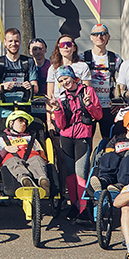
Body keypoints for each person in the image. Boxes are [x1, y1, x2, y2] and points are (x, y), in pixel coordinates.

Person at [46, 41, 100, 215]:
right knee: (69, 173)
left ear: (73, 77)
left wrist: (89, 105)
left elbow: (97, 115)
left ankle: (84, 208)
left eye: (66, 79)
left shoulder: (87, 92)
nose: (64, 82)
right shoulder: (61, 97)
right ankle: (74, 205)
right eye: (61, 81)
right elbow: (61, 125)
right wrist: (56, 110)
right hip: (66, 137)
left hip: (82, 137)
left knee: (80, 172)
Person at [0, 110, 51, 216]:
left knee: (38, 160)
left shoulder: (31, 139)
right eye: (20, 121)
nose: (23, 124)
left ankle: (43, 180)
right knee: (14, 162)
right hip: (12, 159)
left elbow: (42, 155)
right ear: (11, 123)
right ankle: (25, 180)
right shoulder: (1, 140)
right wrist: (6, 149)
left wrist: (44, 162)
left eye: (25, 122)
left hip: (31, 157)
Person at [0, 28, 37, 139]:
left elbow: (36, 88)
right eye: (10, 41)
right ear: (5, 42)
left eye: (16, 41)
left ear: (20, 42)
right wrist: (1, 87)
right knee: (1, 144)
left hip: (24, 112)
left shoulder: (28, 62)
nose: (13, 44)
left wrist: (30, 87)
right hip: (4, 113)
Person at [80, 23, 121, 146]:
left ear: (108, 37)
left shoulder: (116, 58)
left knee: (109, 141)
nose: (100, 36)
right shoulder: (82, 57)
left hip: (108, 107)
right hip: (89, 106)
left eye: (103, 34)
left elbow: (124, 81)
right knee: (86, 142)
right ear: (91, 37)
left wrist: (119, 102)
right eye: (96, 34)